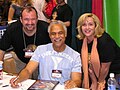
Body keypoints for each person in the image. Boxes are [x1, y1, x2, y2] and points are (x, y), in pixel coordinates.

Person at [10, 20, 82, 89]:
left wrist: (74, 83)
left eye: (60, 33)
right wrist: (18, 79)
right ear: (49, 35)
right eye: (53, 33)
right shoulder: (40, 50)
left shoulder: (75, 56)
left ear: (65, 34)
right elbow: (28, 70)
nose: (57, 36)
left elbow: (77, 80)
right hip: (42, 88)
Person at [0, 6, 50, 78]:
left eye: (33, 19)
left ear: (37, 19)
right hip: (21, 61)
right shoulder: (12, 29)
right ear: (21, 20)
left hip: (41, 62)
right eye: (26, 19)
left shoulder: (46, 28)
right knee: (21, 84)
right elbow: (1, 50)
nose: (30, 23)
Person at [76, 13, 120, 90]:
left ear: (96, 26)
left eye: (90, 24)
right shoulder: (81, 41)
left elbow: (105, 68)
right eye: (84, 25)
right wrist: (93, 80)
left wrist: (99, 83)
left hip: (114, 75)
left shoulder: (105, 41)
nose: (87, 28)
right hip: (95, 74)